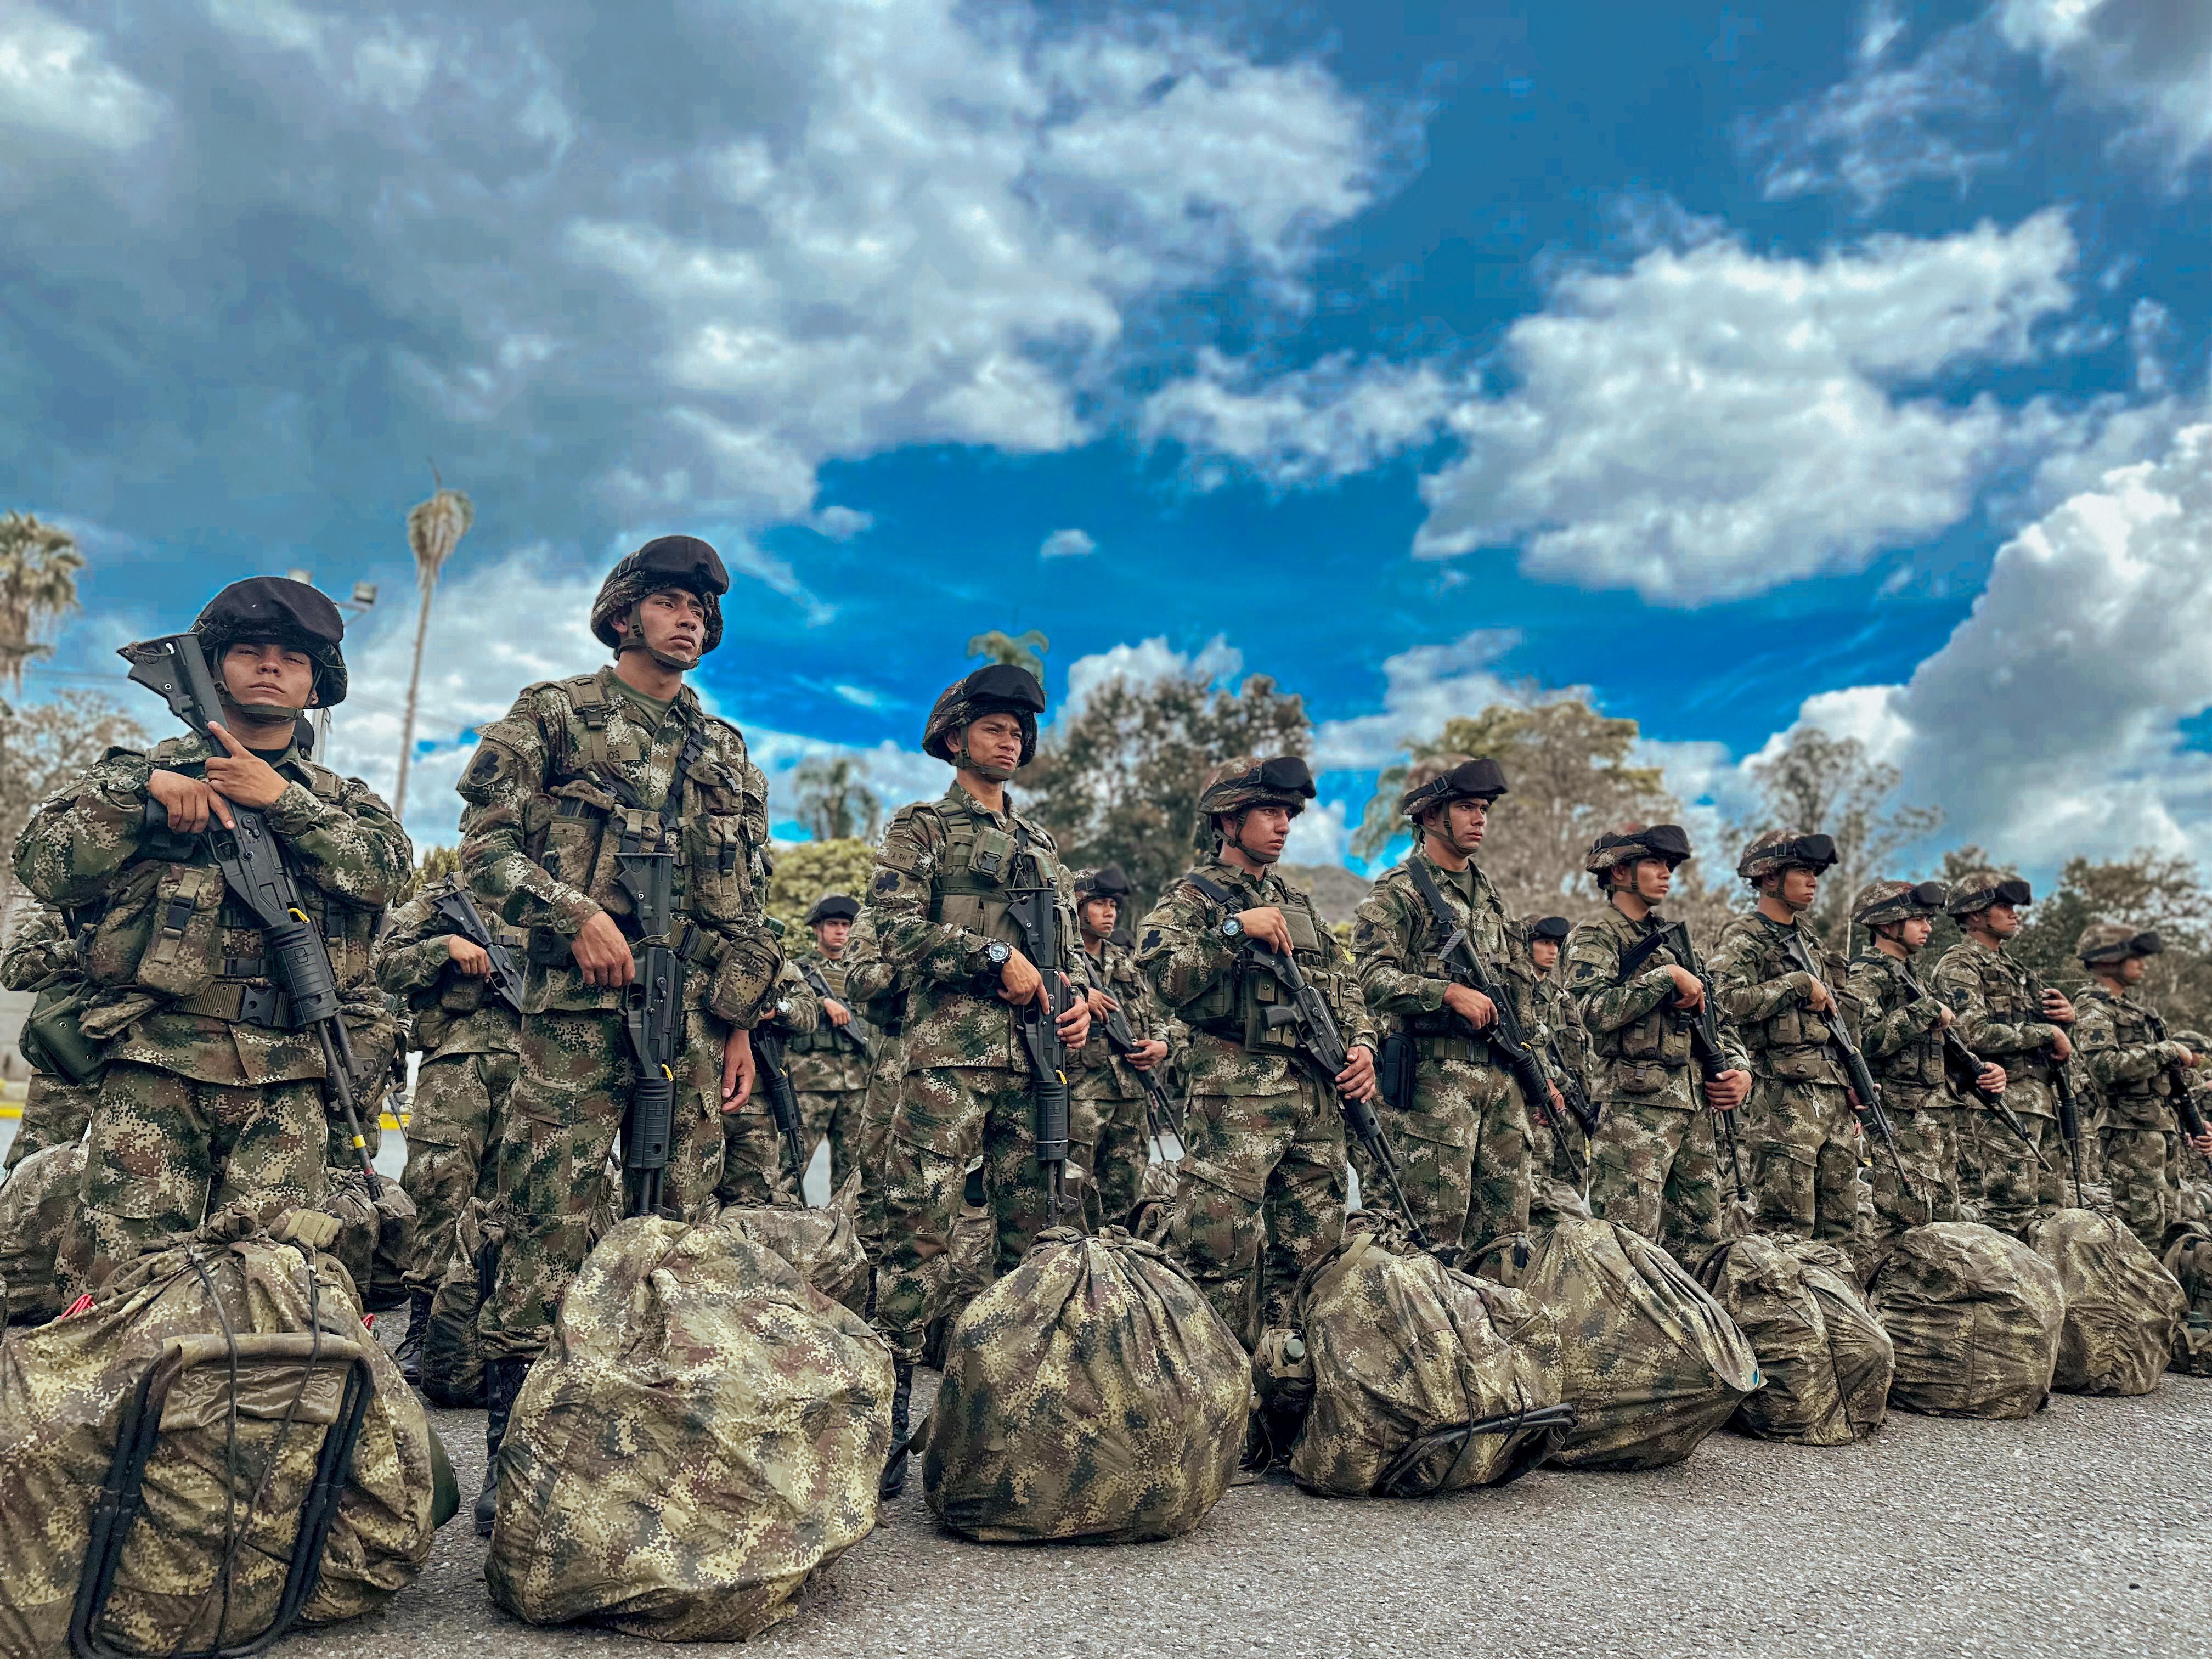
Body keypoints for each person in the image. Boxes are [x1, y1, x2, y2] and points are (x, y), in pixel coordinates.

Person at [453, 536, 782, 1531]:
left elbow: (747, 904)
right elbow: (483, 850)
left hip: (689, 1016)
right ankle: (517, 1446)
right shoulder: (554, 713)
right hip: (574, 1015)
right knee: (545, 1213)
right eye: (670, 601)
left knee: (683, 1223)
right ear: (624, 610)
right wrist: (572, 912)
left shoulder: (724, 749)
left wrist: (738, 1020)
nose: (688, 618)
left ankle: (660, 1439)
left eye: (701, 608)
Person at [12, 576, 411, 1292]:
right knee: (120, 1286)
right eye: (251, 651)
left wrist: (283, 802)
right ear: (213, 667)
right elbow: (43, 862)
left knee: (267, 1293)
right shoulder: (139, 778)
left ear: (314, 683)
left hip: (292, 1078)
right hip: (156, 1067)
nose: (270, 665)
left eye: (292, 658)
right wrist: (142, 795)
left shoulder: (347, 804)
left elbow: (385, 874)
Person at [867, 663, 1091, 1494]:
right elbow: (888, 931)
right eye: (995, 726)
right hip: (949, 1063)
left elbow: (1063, 962)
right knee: (916, 1236)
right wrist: (990, 956)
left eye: (1020, 730)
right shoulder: (922, 830)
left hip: (1036, 1064)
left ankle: (1003, 1424)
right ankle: (884, 1423)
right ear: (956, 737)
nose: (1012, 739)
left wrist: (1079, 1002)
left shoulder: (1042, 848)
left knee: (1029, 1241)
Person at [1137, 755, 1379, 1352]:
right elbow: (1164, 975)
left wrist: (1364, 1046)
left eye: (1288, 814)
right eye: (1269, 812)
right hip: (1236, 1100)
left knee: (1313, 1261)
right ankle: (1213, 1402)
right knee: (1217, 1258)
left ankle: (1287, 1397)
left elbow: (1344, 986)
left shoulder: (1299, 903)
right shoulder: (1194, 898)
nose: (1284, 824)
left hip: (1314, 1100)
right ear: (1228, 821)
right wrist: (1233, 931)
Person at [1351, 755, 1558, 1255]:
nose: (1479, 818)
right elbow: (1367, 977)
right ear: (1427, 816)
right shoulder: (1398, 894)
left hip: (1501, 1085)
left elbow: (1519, 998)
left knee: (1507, 1241)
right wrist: (1443, 993)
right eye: (1466, 806)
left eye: (1483, 808)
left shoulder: (1491, 900)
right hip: (1431, 1088)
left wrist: (1542, 1073)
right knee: (1425, 1241)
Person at [1566, 825, 1751, 1262]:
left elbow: (1718, 1017)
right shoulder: (1598, 933)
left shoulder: (1676, 942)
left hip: (1695, 1112)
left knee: (1702, 1247)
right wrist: (1662, 979)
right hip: (1636, 1112)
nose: (1666, 873)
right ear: (1618, 872)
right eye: (1654, 863)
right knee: (1628, 1250)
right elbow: (1589, 1011)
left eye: (1669, 865)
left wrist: (1741, 1070)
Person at [371, 871, 526, 1389]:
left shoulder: (558, 898)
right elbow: (383, 964)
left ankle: (491, 1333)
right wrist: (444, 947)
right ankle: (423, 1326)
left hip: (535, 1067)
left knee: (512, 1200)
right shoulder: (442, 901)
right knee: (438, 1186)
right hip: (455, 1062)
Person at [1710, 830, 1866, 1245]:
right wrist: (1795, 985)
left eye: (1816, 872)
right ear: (1768, 877)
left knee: (1840, 1229)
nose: (1813, 880)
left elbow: (1835, 1021)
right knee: (1785, 1230)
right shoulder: (1744, 935)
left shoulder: (1810, 940)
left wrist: (1852, 1080)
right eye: (1803, 871)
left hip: (1831, 1096)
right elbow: (1723, 1002)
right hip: (1781, 1099)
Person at [1844, 880, 2008, 1235]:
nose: (1929, 927)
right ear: (1888, 925)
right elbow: (1862, 1040)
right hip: (1898, 1118)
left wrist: (1984, 1071)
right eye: (1918, 919)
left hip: (1935, 1117)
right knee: (1903, 1222)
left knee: (1944, 1220)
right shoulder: (1866, 973)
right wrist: (1924, 1012)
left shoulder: (1911, 977)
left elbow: (1943, 1048)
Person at [1931, 872, 2074, 1233]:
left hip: (2041, 1101)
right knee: (2011, 1213)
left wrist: (2067, 1019)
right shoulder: (1960, 964)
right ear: (1975, 915)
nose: (2014, 914)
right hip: (1999, 1103)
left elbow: (2047, 1032)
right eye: (2004, 907)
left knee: (2052, 1214)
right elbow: (1971, 1032)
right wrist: (2047, 1031)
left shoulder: (2014, 969)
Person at [2072, 923, 2212, 1246]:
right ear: (2108, 959)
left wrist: (2188, 1119)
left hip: (2159, 1129)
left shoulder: (2137, 1012)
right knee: (2143, 1232)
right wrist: (2167, 1050)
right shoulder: (2094, 1007)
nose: (2143, 963)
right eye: (2135, 956)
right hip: (2130, 1132)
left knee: (2172, 1224)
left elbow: (2166, 1082)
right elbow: (2103, 1066)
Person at [1068, 863, 1175, 1228]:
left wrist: (1162, 1044)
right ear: (1076, 905)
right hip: (1079, 1097)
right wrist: (1079, 993)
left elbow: (1157, 1015)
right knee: (1072, 1198)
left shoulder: (1124, 961)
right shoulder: (1059, 961)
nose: (1110, 912)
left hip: (1132, 1098)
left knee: (1126, 1202)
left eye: (1114, 904)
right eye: (1100, 903)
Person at [778, 894, 873, 1185]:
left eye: (847, 925)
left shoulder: (863, 973)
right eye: (833, 923)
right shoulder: (797, 970)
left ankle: (846, 1228)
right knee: (792, 1167)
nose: (841, 931)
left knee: (854, 1170)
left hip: (858, 1083)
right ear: (817, 928)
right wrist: (821, 1003)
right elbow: (780, 1005)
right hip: (809, 1083)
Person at [1, 904, 97, 1171]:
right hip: (67, 1059)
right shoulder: (68, 914)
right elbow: (11, 969)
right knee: (33, 1169)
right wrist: (75, 950)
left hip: (143, 1060)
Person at [1523, 915, 1593, 1203]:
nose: (1553, 950)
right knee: (1536, 1198)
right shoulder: (1516, 992)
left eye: (1557, 944)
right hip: (1536, 1112)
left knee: (1573, 1200)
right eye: (1544, 942)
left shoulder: (1562, 998)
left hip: (1572, 1114)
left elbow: (1581, 1057)